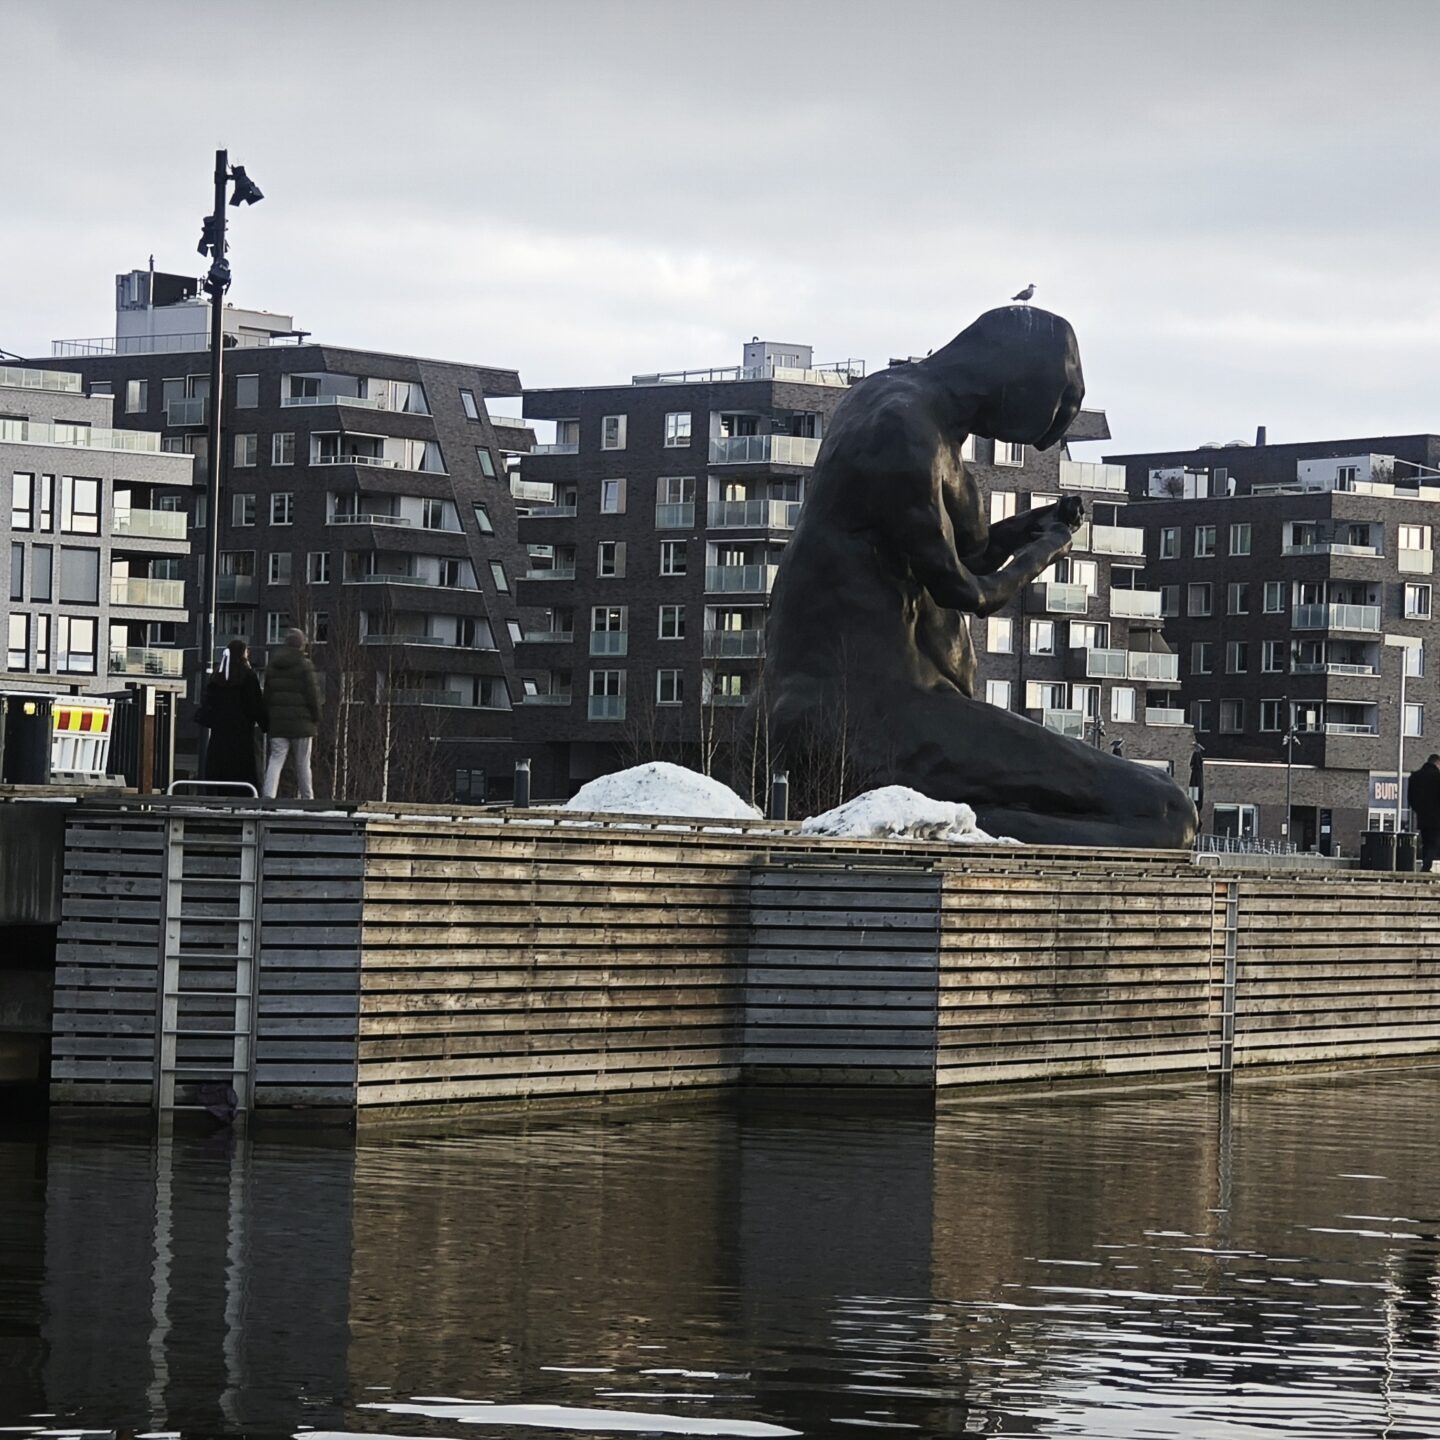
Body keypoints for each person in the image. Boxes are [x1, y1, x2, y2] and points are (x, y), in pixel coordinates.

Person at [762, 305, 1196, 848]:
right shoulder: (902, 434)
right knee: (1164, 812)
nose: (1041, 441)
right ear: (1015, 383)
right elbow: (968, 591)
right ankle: (951, 838)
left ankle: (960, 831)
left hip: (877, 713)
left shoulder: (901, 408)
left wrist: (1036, 527)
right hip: (874, 722)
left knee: (1147, 807)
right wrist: (1048, 549)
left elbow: (974, 549)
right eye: (1048, 413)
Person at [262, 628, 321, 800]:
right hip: (302, 724)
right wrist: (316, 717)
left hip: (278, 723)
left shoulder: (273, 666)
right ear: (301, 645)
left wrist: (268, 719)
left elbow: (267, 696)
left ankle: (268, 796)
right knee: (303, 763)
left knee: (276, 759)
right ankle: (307, 798)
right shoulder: (305, 665)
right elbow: (313, 695)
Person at [201, 639, 266, 790]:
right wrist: (265, 723)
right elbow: (255, 703)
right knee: (242, 768)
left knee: (218, 765)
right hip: (242, 731)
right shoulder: (248, 676)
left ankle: (214, 792)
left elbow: (209, 702)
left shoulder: (218, 676)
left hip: (220, 731)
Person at [1408, 753, 1440, 872]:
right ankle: (1426, 867)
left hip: (1422, 816)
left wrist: (1420, 810)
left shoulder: (1415, 777)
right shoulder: (1437, 777)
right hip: (1437, 817)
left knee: (1427, 843)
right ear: (1438, 763)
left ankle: (1426, 869)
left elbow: (1410, 799)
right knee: (1435, 844)